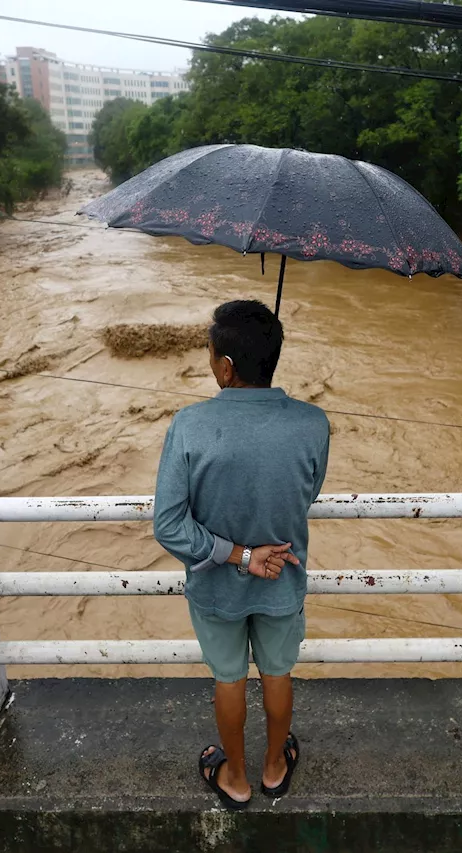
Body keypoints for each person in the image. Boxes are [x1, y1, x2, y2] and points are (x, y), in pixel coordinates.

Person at [153, 299, 330, 811]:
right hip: (283, 577)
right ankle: (275, 767)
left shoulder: (189, 424)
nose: (210, 363)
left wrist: (237, 553)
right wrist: (261, 549)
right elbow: (307, 491)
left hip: (216, 585)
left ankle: (235, 777)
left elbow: (168, 525)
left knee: (229, 678)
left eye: (211, 355)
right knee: (277, 673)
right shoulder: (313, 423)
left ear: (226, 366)